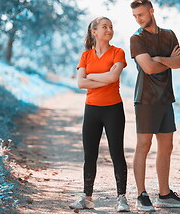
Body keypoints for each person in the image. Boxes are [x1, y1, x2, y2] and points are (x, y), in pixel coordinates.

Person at [129, 0, 180, 212]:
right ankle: (141, 195)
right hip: (145, 99)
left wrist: (159, 59)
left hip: (165, 98)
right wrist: (166, 60)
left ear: (151, 11)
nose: (138, 19)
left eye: (141, 14)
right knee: (143, 146)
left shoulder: (169, 35)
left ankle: (164, 194)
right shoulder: (136, 39)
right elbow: (149, 69)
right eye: (135, 16)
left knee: (167, 146)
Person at [69, 17, 130, 212]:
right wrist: (102, 78)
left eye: (111, 27)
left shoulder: (118, 52)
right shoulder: (86, 55)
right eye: (104, 27)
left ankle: (121, 198)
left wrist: (91, 76)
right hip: (92, 110)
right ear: (94, 31)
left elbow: (114, 77)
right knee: (90, 155)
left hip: (113, 109)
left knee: (117, 153)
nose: (109, 29)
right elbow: (80, 83)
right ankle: (87, 197)